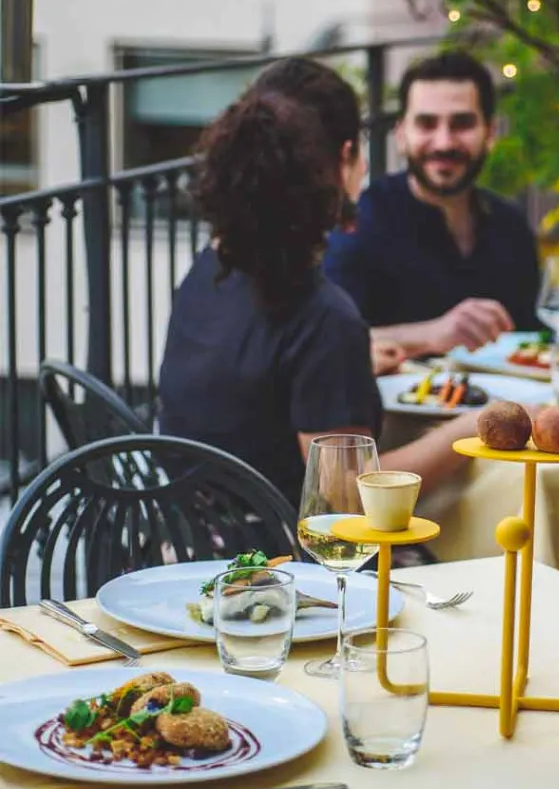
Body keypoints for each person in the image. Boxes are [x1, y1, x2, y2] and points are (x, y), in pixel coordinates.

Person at [158, 61, 479, 512]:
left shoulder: (209, 270)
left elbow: (243, 395)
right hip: (279, 552)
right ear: (346, 159)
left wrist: (338, 373)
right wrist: (471, 429)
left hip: (184, 535)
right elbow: (350, 500)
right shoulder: (323, 318)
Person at [323, 51, 541, 357]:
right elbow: (326, 341)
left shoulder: (512, 227)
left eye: (462, 124)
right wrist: (429, 336)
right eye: (427, 124)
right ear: (401, 135)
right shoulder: (359, 223)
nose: (444, 143)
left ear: (490, 133)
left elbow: (532, 343)